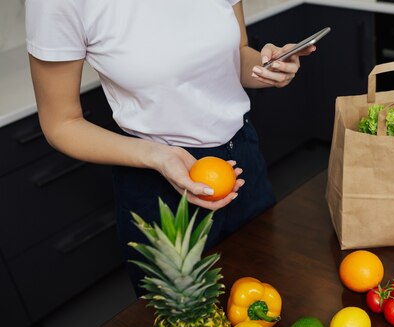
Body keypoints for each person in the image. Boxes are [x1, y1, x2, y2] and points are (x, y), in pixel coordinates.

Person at [24, 0, 315, 296]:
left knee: (265, 294)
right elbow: (61, 123)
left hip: (243, 157)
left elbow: (237, 55)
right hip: (159, 180)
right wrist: (157, 156)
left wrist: (271, 66)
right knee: (187, 325)